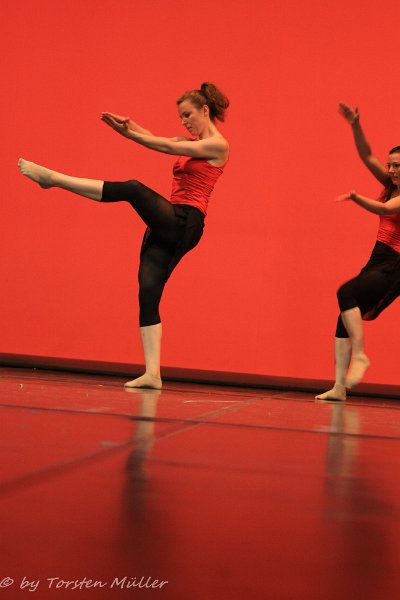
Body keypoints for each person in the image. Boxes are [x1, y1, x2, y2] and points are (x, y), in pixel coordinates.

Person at [18, 82, 229, 389]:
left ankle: (55, 179)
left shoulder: (219, 146)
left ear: (204, 110)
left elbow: (167, 147)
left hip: (186, 221)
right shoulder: (190, 142)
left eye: (187, 115)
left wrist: (132, 136)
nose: (184, 122)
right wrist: (129, 128)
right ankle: (153, 374)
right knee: (148, 290)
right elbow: (161, 139)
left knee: (133, 189)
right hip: (169, 220)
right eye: (181, 117)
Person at [316, 102, 400, 401]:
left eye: (398, 165)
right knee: (345, 315)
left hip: (395, 263)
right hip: (379, 258)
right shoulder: (391, 184)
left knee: (346, 293)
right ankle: (339, 387)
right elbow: (366, 155)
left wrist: (356, 198)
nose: (391, 170)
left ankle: (361, 355)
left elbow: (384, 209)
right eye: (391, 165)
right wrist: (355, 125)